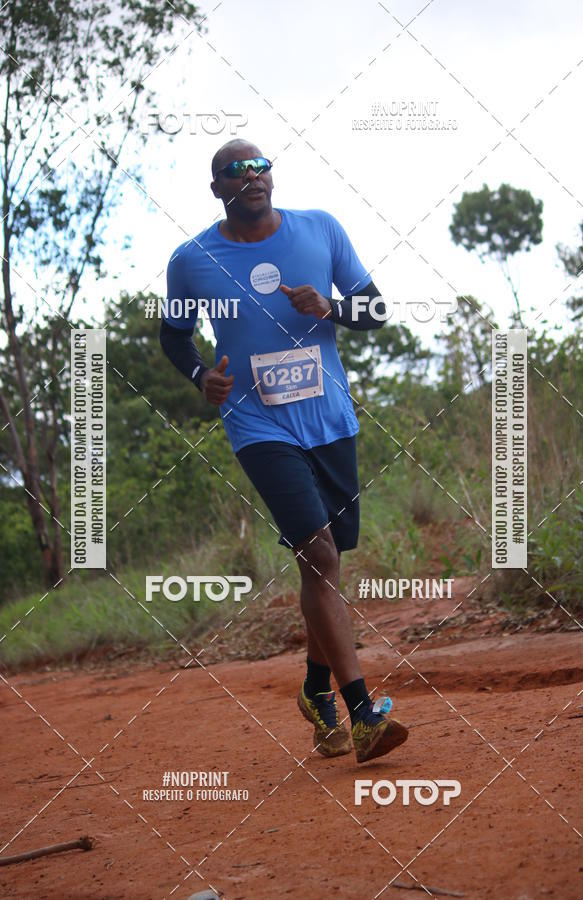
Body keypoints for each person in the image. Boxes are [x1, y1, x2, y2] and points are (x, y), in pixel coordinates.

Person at [160, 139, 408, 763]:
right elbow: (174, 337)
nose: (251, 176)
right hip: (258, 425)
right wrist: (200, 377)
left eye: (260, 166)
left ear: (271, 177)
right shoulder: (191, 260)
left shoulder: (320, 229)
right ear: (217, 188)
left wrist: (332, 306)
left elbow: (377, 309)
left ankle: (315, 689)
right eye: (235, 171)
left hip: (330, 419)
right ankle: (363, 714)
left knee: (326, 562)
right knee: (318, 553)